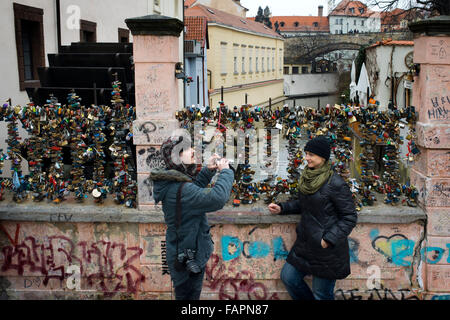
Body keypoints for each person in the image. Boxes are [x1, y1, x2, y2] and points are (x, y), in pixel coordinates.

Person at [268, 136, 357, 300]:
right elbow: (304, 204)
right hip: (306, 244)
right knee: (289, 278)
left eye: (311, 154)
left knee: (321, 295)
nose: (306, 158)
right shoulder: (308, 177)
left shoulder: (335, 183)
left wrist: (328, 239)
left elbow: (350, 216)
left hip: (326, 251)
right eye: (306, 153)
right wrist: (282, 208)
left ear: (323, 158)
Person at [150, 135, 234, 300]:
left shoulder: (172, 182)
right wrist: (226, 172)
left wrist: (207, 172)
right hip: (187, 255)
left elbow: (189, 192)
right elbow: (217, 199)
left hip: (183, 250)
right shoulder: (179, 188)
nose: (193, 150)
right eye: (188, 148)